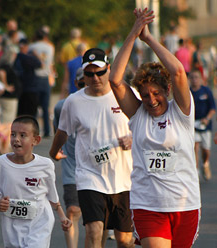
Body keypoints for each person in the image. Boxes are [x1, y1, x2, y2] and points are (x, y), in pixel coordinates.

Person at [109, 8, 201, 248]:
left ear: (166, 92)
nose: (151, 100)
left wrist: (149, 39)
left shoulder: (181, 112)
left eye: (156, 93)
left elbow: (178, 71)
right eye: (145, 95)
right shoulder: (138, 114)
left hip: (184, 203)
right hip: (148, 204)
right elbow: (115, 80)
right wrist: (134, 33)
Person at [49, 48, 135, 248]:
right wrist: (54, 152)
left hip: (124, 178)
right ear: (83, 75)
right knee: (94, 231)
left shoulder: (125, 94)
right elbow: (62, 132)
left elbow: (144, 125)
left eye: (100, 72)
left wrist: (132, 137)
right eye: (89, 74)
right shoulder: (74, 102)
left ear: (109, 69)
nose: (95, 77)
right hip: (90, 176)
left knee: (124, 240)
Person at [0, 115, 72, 247]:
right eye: (13, 134)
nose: (16, 139)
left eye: (22, 135)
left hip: (40, 223)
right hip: (12, 226)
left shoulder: (45, 165)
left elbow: (51, 193)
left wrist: (62, 216)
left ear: (36, 140)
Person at [53, 68, 85, 248]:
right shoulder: (61, 106)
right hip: (72, 168)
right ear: (76, 84)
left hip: (99, 170)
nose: (84, 87)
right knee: (72, 210)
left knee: (97, 220)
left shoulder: (106, 105)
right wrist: (55, 150)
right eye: (81, 83)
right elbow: (58, 132)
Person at [190, 69, 216, 180]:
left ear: (201, 79)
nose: (195, 80)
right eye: (192, 77)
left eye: (197, 77)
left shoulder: (206, 91)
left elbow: (212, 108)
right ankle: (196, 171)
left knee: (206, 150)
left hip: (205, 125)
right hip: (193, 125)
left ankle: (205, 163)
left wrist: (207, 118)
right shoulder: (188, 92)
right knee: (195, 147)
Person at [29, 28, 55, 137]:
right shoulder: (50, 47)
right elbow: (50, 62)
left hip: (34, 77)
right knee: (45, 106)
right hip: (45, 77)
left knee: (34, 106)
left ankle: (35, 130)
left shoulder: (32, 47)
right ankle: (47, 130)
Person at [14, 38, 42, 117]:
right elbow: (40, 64)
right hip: (31, 89)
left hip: (20, 90)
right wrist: (36, 55)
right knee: (31, 115)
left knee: (21, 115)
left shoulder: (16, 58)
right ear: (26, 46)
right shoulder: (29, 58)